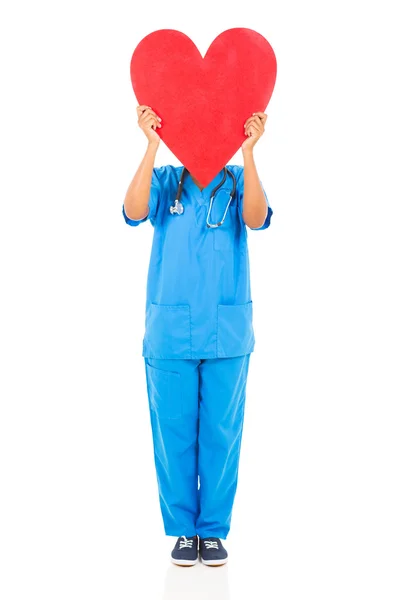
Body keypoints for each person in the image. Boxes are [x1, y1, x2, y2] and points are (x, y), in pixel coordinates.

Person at [122, 105, 273, 567]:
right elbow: (132, 210)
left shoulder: (236, 181)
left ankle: (212, 531)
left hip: (226, 333)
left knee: (222, 435)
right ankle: (184, 531)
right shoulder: (168, 180)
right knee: (173, 433)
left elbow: (256, 217)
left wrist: (249, 153)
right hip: (169, 333)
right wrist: (151, 145)